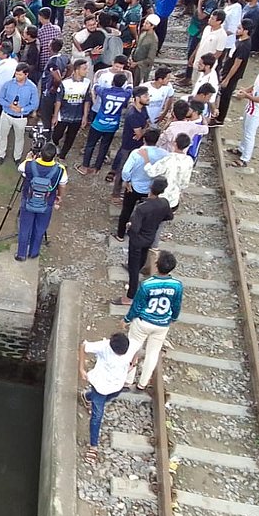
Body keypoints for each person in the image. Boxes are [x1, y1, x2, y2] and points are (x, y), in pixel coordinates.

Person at [122, 251, 182, 392]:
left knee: (133, 347)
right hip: (162, 323)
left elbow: (137, 305)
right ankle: (142, 383)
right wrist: (172, 318)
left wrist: (127, 319)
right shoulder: (177, 285)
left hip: (143, 321)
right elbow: (176, 305)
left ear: (157, 265)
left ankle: (128, 380)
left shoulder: (147, 284)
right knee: (153, 353)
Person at [78, 332, 133, 463]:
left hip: (116, 386)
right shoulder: (103, 346)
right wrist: (81, 369)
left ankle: (86, 397)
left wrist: (132, 364)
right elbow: (83, 346)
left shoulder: (129, 347)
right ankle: (93, 446)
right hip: (100, 387)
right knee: (97, 416)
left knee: (113, 395)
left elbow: (136, 353)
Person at [118, 176, 174, 305]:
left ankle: (130, 296)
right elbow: (169, 216)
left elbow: (135, 229)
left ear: (150, 187)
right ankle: (138, 269)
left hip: (138, 240)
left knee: (133, 267)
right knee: (142, 257)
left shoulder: (142, 208)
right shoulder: (164, 203)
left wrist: (129, 226)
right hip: (150, 237)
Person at [16, 142, 67, 261]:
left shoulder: (28, 164)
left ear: (40, 154)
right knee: (40, 228)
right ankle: (34, 252)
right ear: (54, 156)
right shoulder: (60, 169)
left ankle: (21, 254)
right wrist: (59, 197)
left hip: (28, 200)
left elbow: (21, 169)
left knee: (24, 227)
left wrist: (28, 159)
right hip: (47, 203)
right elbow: (63, 185)